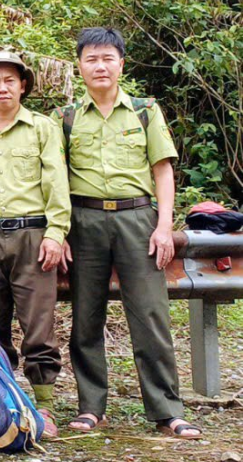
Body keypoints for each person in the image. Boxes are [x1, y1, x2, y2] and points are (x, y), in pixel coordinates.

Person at [56, 28, 199, 439]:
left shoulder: (144, 111)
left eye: (107, 58)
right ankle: (90, 407)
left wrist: (164, 225)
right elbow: (56, 178)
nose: (100, 66)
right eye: (91, 59)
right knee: (85, 317)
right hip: (83, 221)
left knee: (150, 315)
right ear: (79, 66)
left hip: (137, 218)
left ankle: (166, 409)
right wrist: (61, 230)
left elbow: (162, 169)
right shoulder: (64, 117)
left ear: (121, 63)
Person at [0, 50, 70, 440]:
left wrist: (56, 232)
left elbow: (56, 182)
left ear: (23, 85)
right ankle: (2, 401)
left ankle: (44, 405)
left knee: (38, 324)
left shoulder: (41, 128)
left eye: (10, 80)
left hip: (32, 235)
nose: (2, 87)